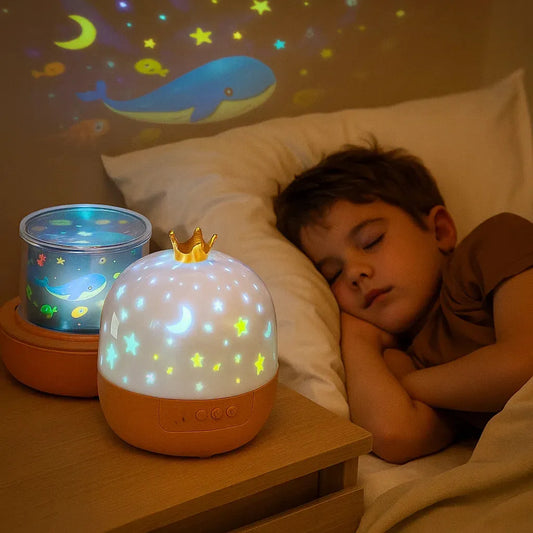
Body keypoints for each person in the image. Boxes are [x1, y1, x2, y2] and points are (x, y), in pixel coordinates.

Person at [274, 138, 533, 463]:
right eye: (333, 274)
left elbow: (524, 363)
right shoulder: (404, 357)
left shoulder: (494, 243)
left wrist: (413, 384)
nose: (354, 273)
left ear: (439, 230)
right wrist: (356, 337)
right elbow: (395, 435)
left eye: (371, 241)